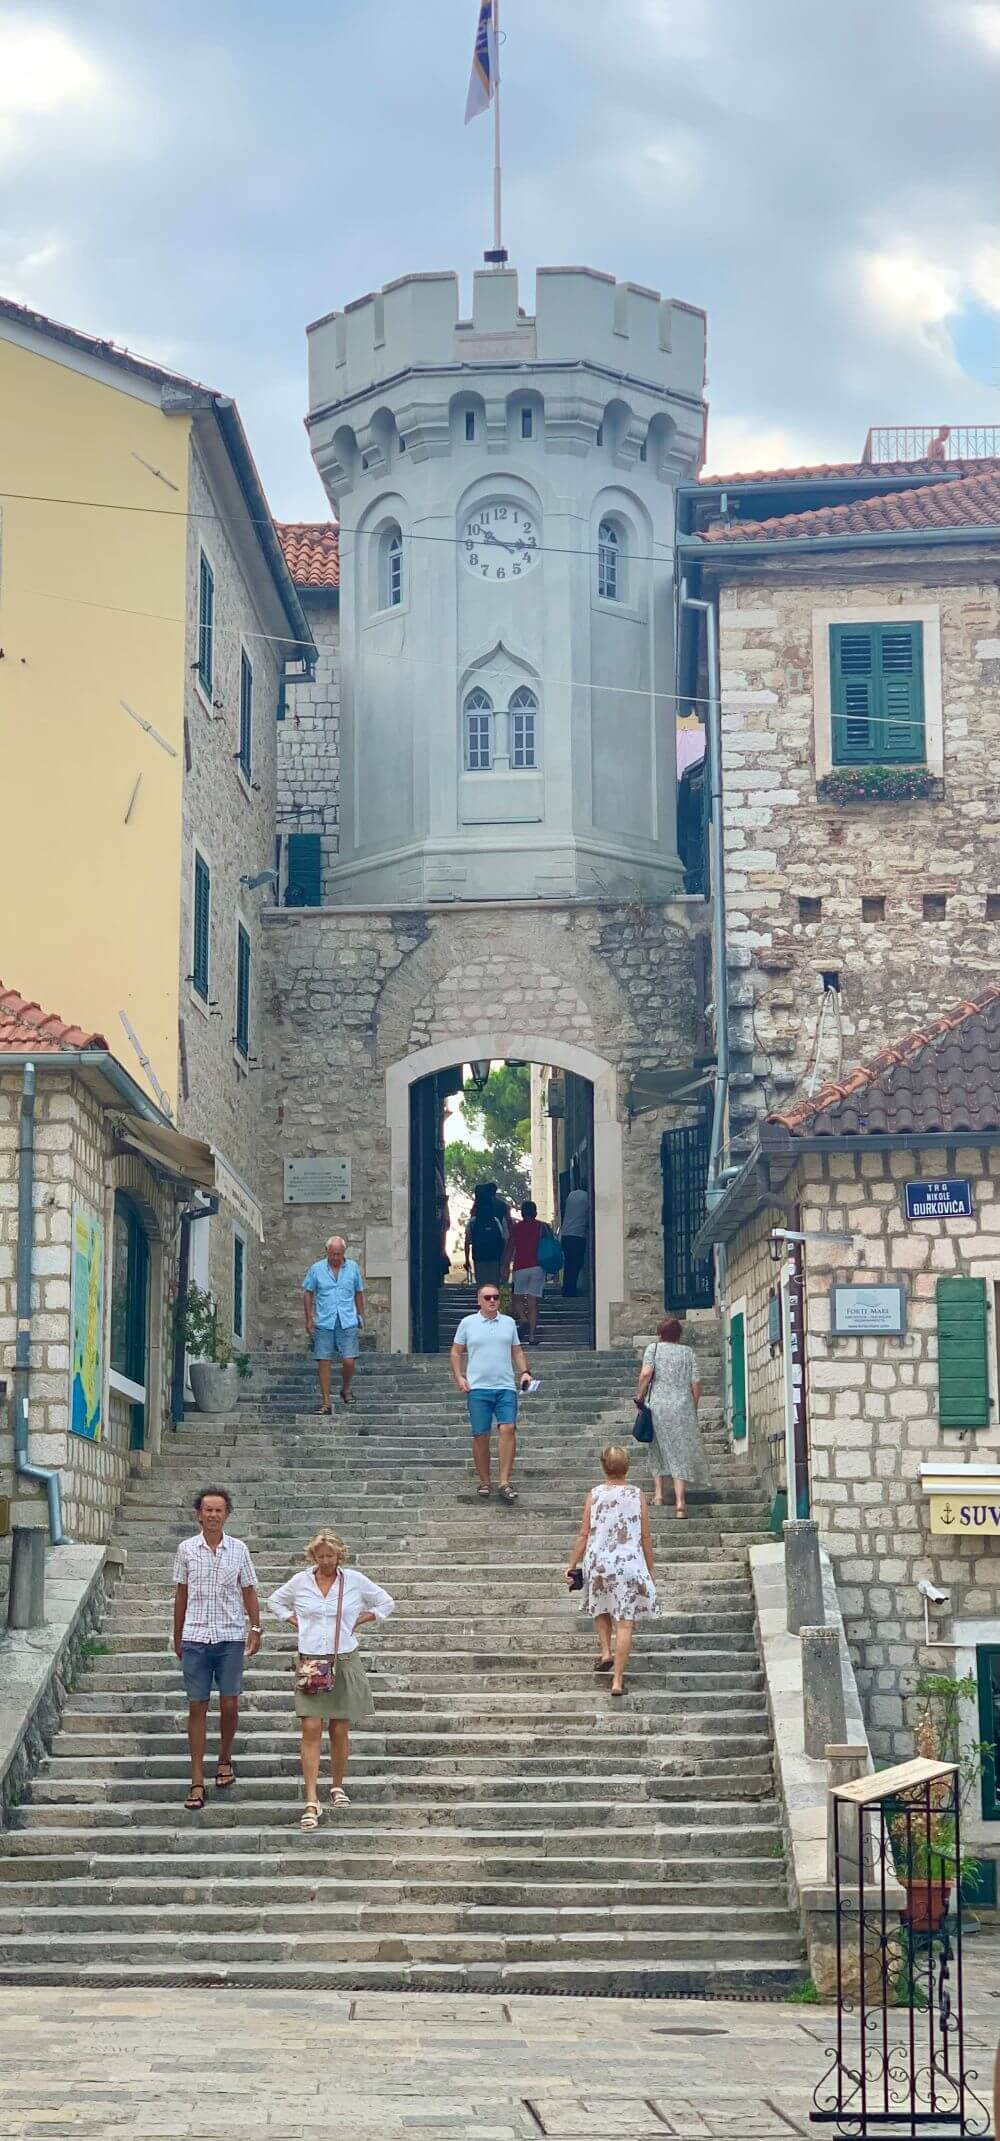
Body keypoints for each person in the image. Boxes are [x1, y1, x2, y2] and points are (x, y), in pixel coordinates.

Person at [267, 1529, 394, 1830]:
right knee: (310, 1726)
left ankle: (337, 1785)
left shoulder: (354, 1581)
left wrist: (361, 1620)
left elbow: (386, 1602)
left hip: (344, 1659)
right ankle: (311, 1798)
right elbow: (275, 1602)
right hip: (311, 1661)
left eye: (331, 1556)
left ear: (340, 1555)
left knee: (339, 1727)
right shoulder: (301, 1581)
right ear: (313, 1556)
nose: (325, 1561)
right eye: (320, 1556)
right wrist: (294, 1622)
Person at [172, 1487, 261, 1812]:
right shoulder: (186, 1550)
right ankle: (196, 1780)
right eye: (207, 1510)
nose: (212, 1515)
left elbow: (249, 1589)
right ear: (198, 1514)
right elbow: (181, 1593)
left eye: (218, 1510)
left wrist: (256, 1626)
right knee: (197, 1706)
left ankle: (224, 1758)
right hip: (195, 1637)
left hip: (230, 1637)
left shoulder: (239, 1550)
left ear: (226, 1515)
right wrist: (177, 1633)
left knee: (230, 1703)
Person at [565, 1444, 657, 1698]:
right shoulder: (636, 1494)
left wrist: (572, 1564)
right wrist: (650, 1567)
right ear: (627, 1467)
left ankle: (605, 1651)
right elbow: (645, 1535)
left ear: (603, 1466)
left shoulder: (594, 1494)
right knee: (625, 1623)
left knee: (601, 1607)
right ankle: (617, 1680)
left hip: (599, 1561)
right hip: (628, 1562)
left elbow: (584, 1533)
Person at [450, 1280, 532, 1503]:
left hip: (505, 1386)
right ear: (479, 1301)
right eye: (488, 1297)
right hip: (478, 1388)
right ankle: (485, 1480)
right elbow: (456, 1352)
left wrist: (525, 1371)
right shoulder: (467, 1323)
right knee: (480, 1435)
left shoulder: (508, 1323)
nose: (493, 1301)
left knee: (508, 1428)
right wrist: (459, 1376)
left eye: (496, 1297)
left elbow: (517, 1351)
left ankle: (504, 1481)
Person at [634, 1315, 705, 1516]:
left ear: (660, 1333)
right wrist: (693, 1406)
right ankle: (680, 1502)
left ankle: (658, 1495)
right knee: (680, 1451)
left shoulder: (653, 1349)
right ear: (678, 1335)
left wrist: (639, 1395)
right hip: (682, 1407)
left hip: (658, 1406)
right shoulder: (688, 1353)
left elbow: (646, 1373)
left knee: (656, 1447)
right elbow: (696, 1384)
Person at [302, 1235, 365, 1411]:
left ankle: (345, 1389)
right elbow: (308, 1292)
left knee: (349, 1361)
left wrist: (361, 1315)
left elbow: (358, 1292)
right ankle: (326, 1402)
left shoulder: (352, 1268)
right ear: (327, 1252)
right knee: (324, 1360)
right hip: (324, 1321)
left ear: (344, 1252)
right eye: (333, 1254)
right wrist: (309, 1318)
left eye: (339, 1254)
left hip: (347, 1320)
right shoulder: (316, 1269)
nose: (336, 1258)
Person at [503, 1197, 553, 1345]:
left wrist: (505, 1265)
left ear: (522, 1213)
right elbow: (550, 1245)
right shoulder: (542, 1227)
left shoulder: (516, 1228)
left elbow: (510, 1246)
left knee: (516, 1298)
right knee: (533, 1302)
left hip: (520, 1267)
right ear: (535, 1213)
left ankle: (523, 1320)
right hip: (538, 1267)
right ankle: (531, 1336)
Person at [464, 1183, 508, 1289]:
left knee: (482, 1285)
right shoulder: (496, 1219)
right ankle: (493, 1304)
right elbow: (504, 1239)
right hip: (494, 1257)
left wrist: (467, 1260)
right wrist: (503, 1259)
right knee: (494, 1285)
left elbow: (467, 1241)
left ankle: (483, 1305)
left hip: (479, 1256)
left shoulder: (473, 1221)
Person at [559, 1182, 589, 1297]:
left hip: (566, 1234)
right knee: (576, 1264)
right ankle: (571, 1290)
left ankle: (567, 1288)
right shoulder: (586, 1197)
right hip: (578, 1235)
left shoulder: (571, 1195)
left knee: (569, 1263)